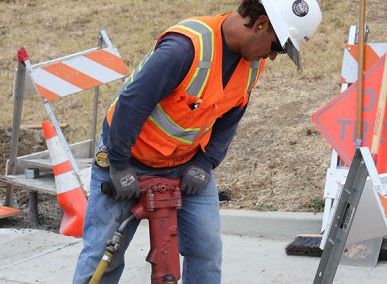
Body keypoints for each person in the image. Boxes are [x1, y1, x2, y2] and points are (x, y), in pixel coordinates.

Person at [73, 0, 322, 283]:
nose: (273, 57)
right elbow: (132, 104)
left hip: (185, 162)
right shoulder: (185, 49)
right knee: (103, 257)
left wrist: (205, 163)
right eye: (277, 47)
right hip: (127, 159)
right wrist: (118, 165)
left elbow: (231, 117)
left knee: (206, 251)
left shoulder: (252, 65)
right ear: (261, 24)